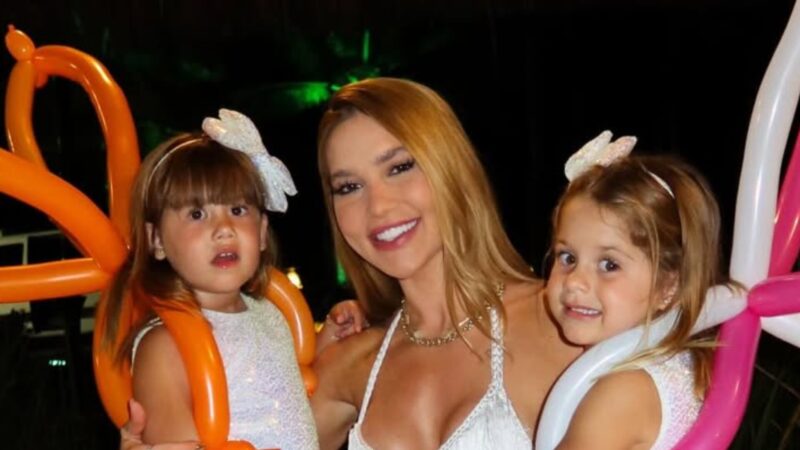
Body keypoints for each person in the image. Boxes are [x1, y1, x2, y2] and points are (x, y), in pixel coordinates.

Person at [121, 78, 582, 450]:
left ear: (452, 168)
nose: (378, 207)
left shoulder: (561, 323)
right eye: (349, 187)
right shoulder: (350, 364)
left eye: (399, 167)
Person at [103, 109, 361, 449]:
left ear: (262, 231)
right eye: (197, 214)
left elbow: (277, 388)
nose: (224, 229)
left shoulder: (266, 311)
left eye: (238, 210)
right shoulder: (166, 345)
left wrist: (328, 340)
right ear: (157, 240)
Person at [545, 132, 731, 449]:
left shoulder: (622, 392)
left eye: (609, 265)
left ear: (668, 286)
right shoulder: (666, 367)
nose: (575, 281)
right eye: (568, 257)